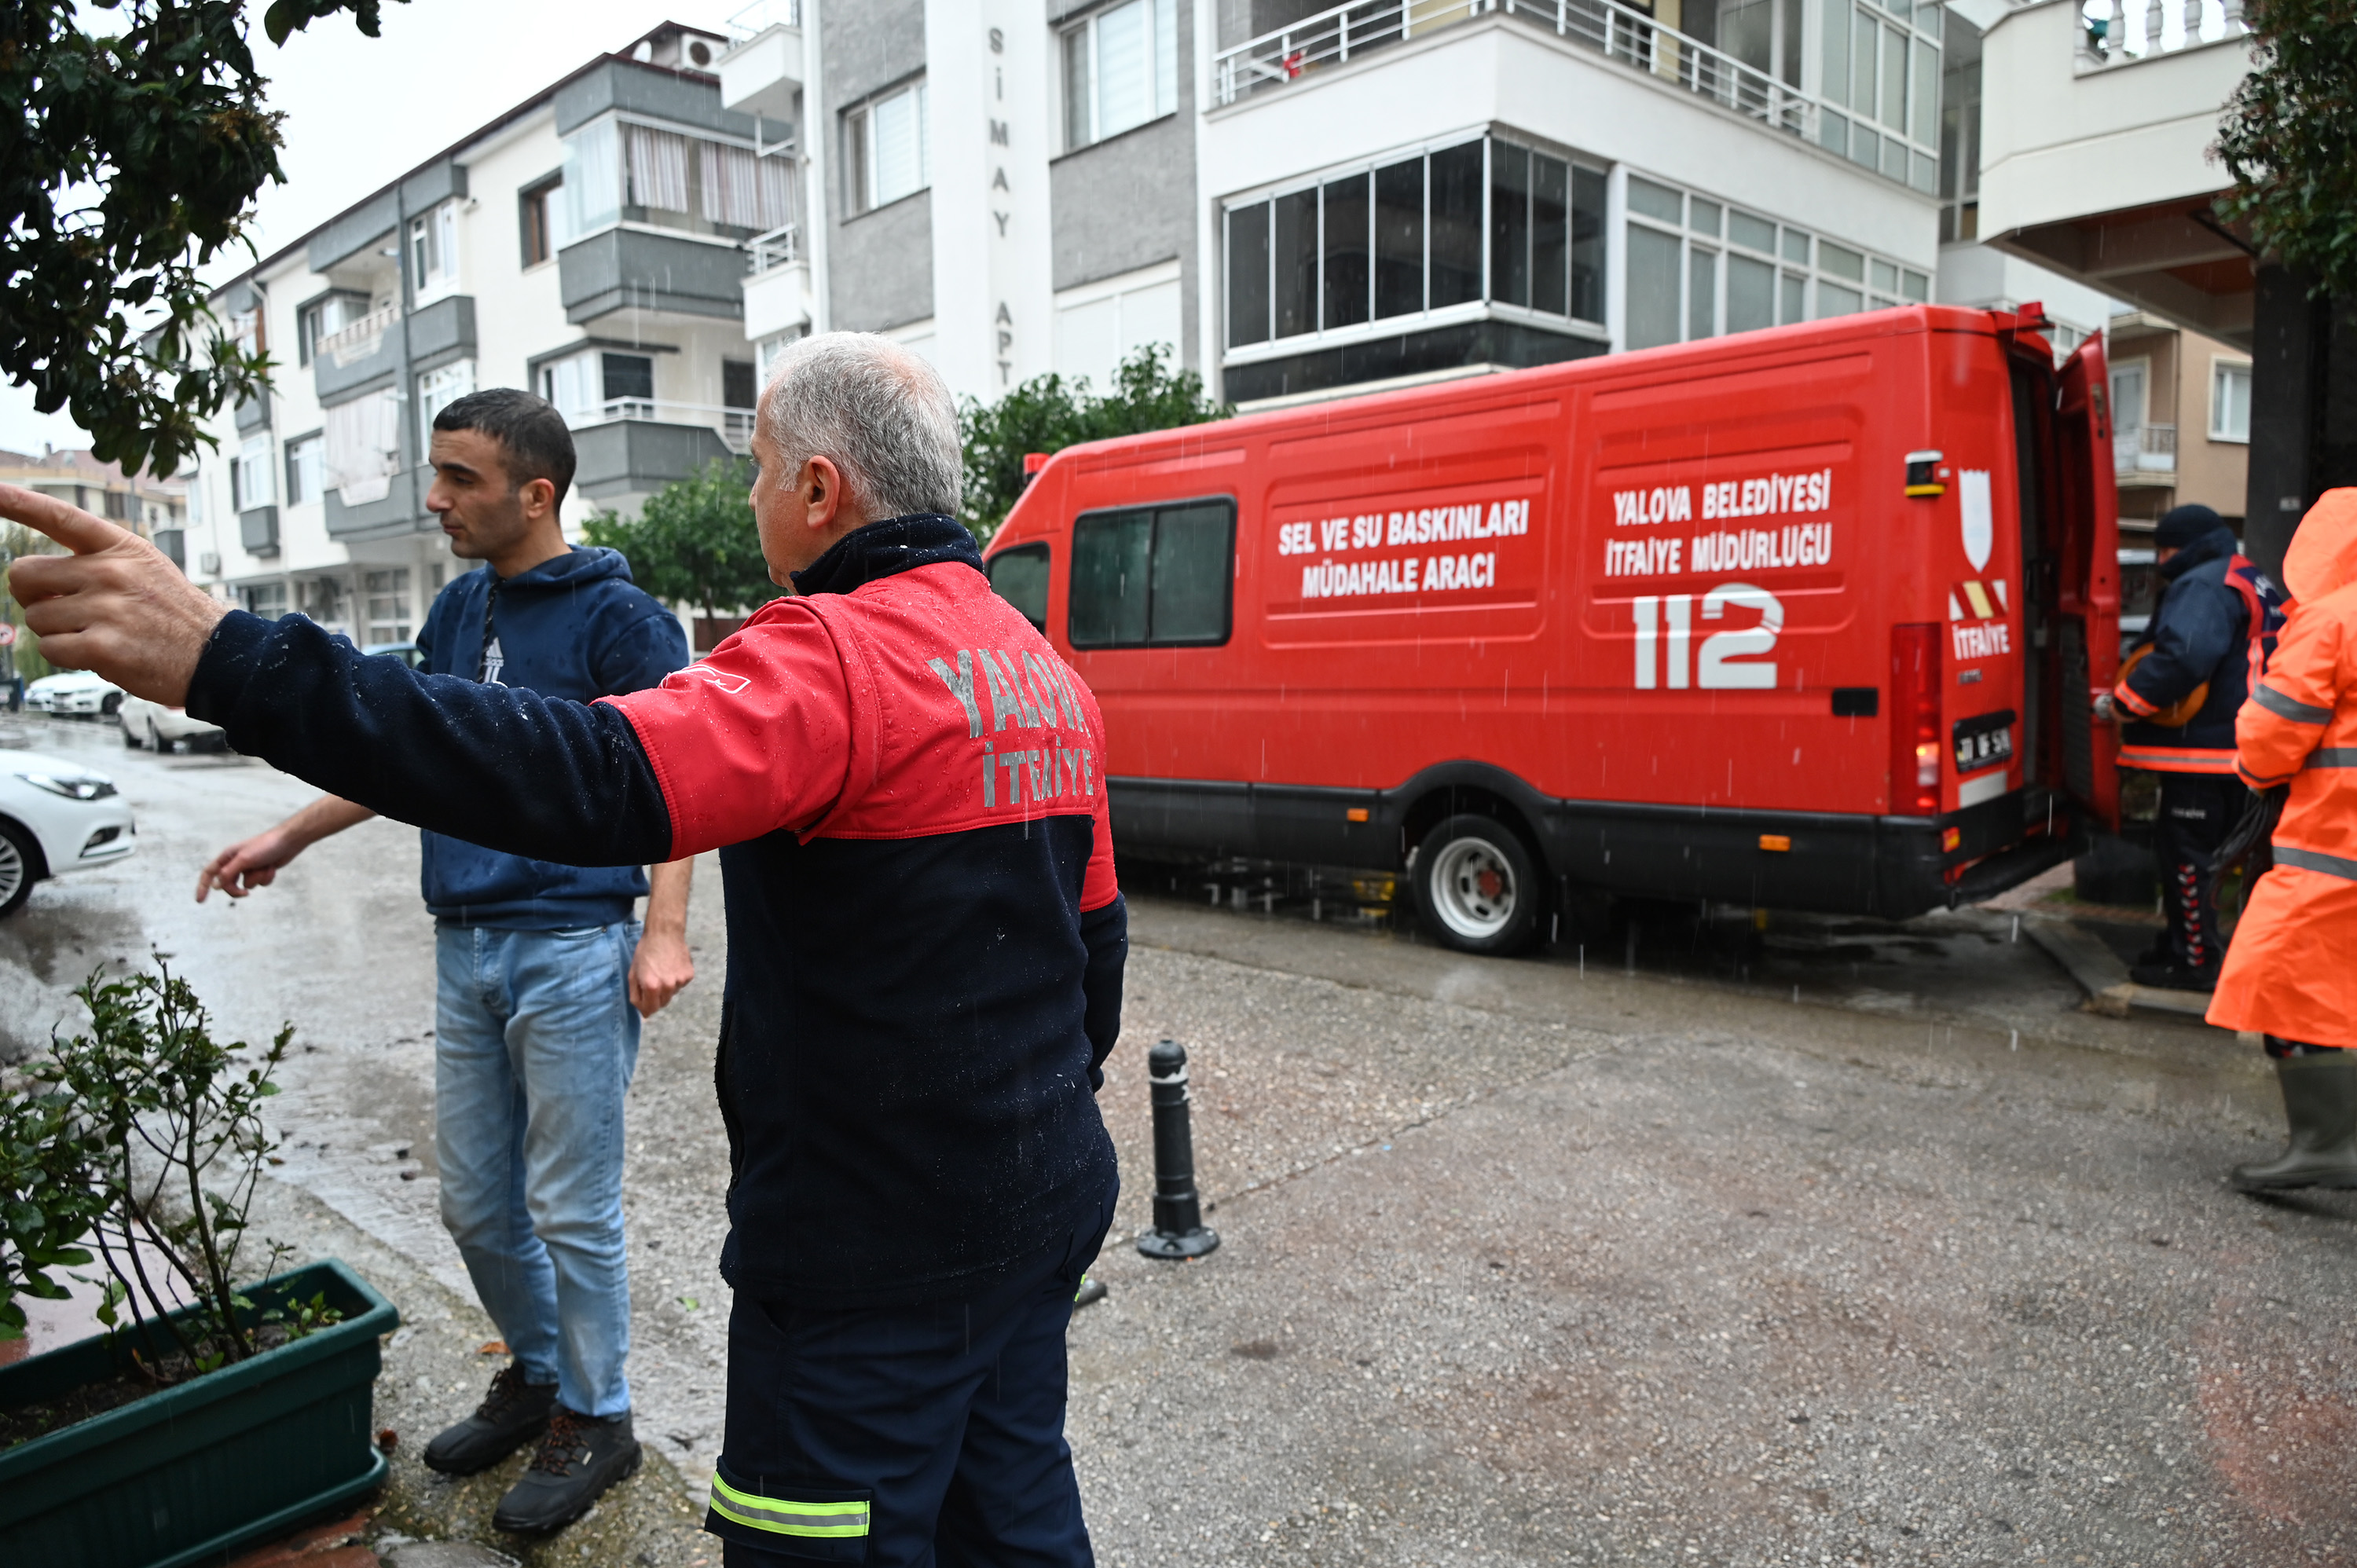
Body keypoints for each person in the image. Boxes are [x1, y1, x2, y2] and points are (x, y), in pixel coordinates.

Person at [1, 332, 1127, 1568]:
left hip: (872, 1263)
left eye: (758, 470)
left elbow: (588, 774)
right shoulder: (1040, 674)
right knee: (1013, 1526)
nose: (753, 500)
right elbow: (1094, 959)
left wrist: (234, 657)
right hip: (1041, 1204)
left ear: (819, 490)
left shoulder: (832, 656)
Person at [191, 388, 697, 1533]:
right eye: (437, 474)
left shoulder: (625, 621)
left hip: (574, 943)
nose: (436, 499)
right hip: (464, 944)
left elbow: (684, 784)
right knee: (476, 1203)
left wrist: (664, 930)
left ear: (537, 493)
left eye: (460, 479)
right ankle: (535, 1373)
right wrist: (285, 834)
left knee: (571, 1204)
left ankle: (598, 1414)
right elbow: (404, 760)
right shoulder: (459, 609)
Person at [2209, 489, 2357, 1191]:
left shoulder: (2332, 618)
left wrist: (2253, 768)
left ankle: (2327, 1143)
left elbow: (2271, 734)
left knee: (2287, 980)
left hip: (2334, 850)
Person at [2094, 503, 2284, 990]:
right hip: (2245, 748)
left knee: (2188, 859)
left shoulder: (2201, 583)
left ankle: (2195, 962)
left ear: (2187, 547)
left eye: (2165, 550)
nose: (2160, 561)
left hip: (2205, 753)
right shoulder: (2247, 576)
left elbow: (2185, 656)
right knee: (2217, 860)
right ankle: (2187, 945)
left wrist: (2126, 702)